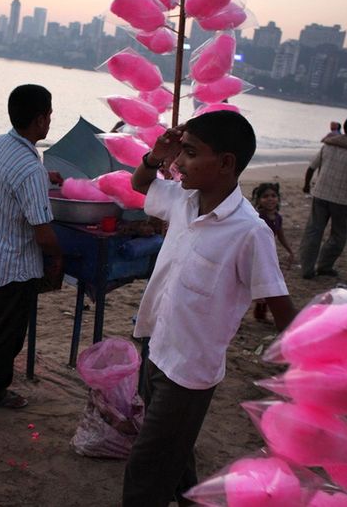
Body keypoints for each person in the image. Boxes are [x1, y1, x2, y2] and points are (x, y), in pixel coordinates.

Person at [123, 111, 295, 506]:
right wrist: (155, 155)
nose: (178, 163)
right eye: (180, 152)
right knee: (172, 450)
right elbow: (140, 184)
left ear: (226, 163)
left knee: (146, 468)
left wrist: (311, 367)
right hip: (155, 346)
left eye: (189, 153)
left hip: (189, 373)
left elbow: (279, 302)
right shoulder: (184, 200)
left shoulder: (250, 232)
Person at [0, 84, 63, 409]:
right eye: (48, 114)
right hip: (14, 265)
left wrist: (46, 176)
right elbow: (43, 233)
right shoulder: (29, 169)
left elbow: (12, 181)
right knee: (7, 334)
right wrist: (58, 257)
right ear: (38, 120)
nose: (49, 119)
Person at [299, 115, 347, 280]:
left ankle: (307, 269)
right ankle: (324, 266)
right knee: (338, 235)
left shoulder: (328, 146)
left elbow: (311, 168)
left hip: (321, 194)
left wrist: (307, 185)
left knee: (313, 232)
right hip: (343, 201)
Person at [251, 182, 294, 322]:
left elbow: (280, 235)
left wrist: (289, 250)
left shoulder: (277, 218)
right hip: (256, 255)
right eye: (265, 196)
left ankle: (260, 313)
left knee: (266, 285)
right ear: (258, 200)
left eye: (273, 196)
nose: (270, 199)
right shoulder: (257, 218)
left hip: (268, 256)